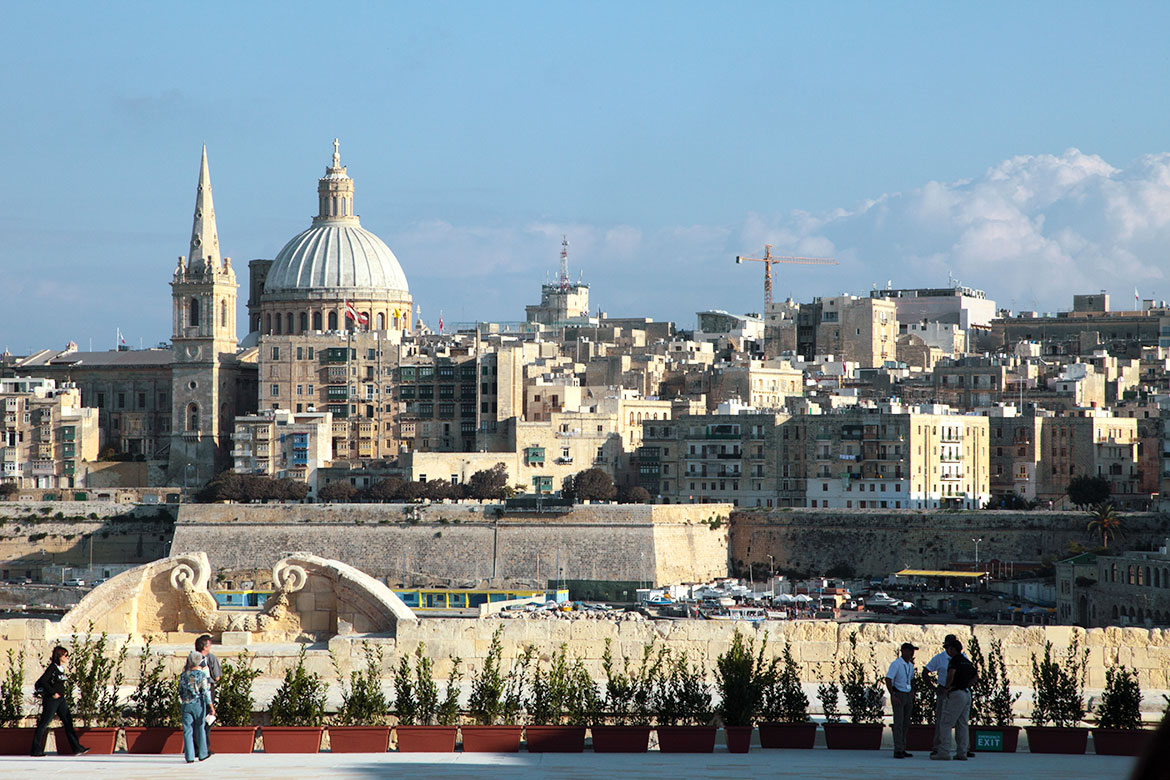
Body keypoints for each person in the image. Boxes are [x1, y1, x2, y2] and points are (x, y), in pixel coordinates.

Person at [30, 646, 89, 756]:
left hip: (61, 700)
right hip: (52, 700)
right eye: (65, 655)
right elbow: (43, 681)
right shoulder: (52, 668)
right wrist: (53, 693)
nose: (67, 657)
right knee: (44, 724)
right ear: (59, 656)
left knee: (68, 722)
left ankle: (77, 748)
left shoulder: (61, 668)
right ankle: (36, 749)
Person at [930, 637, 976, 761]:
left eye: (948, 648)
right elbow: (976, 676)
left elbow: (951, 674)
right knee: (962, 724)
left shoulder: (954, 660)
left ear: (952, 649)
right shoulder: (966, 661)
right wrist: (966, 685)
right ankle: (962, 752)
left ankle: (944, 751)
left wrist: (947, 687)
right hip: (966, 693)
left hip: (956, 693)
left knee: (945, 723)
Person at [179, 650, 215, 763]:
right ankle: (203, 753)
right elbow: (205, 691)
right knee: (200, 728)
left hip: (186, 704)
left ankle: (189, 756)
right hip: (198, 704)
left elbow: (180, 690)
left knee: (187, 730)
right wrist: (211, 706)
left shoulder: (183, 675)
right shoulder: (201, 675)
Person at [884, 642, 916, 759]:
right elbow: (888, 678)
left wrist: (912, 691)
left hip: (907, 694)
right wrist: (892, 694)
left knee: (905, 723)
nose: (912, 653)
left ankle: (903, 747)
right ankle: (898, 749)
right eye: (910, 651)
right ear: (903, 651)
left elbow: (911, 678)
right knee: (898, 722)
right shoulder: (896, 664)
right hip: (899, 694)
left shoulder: (910, 665)